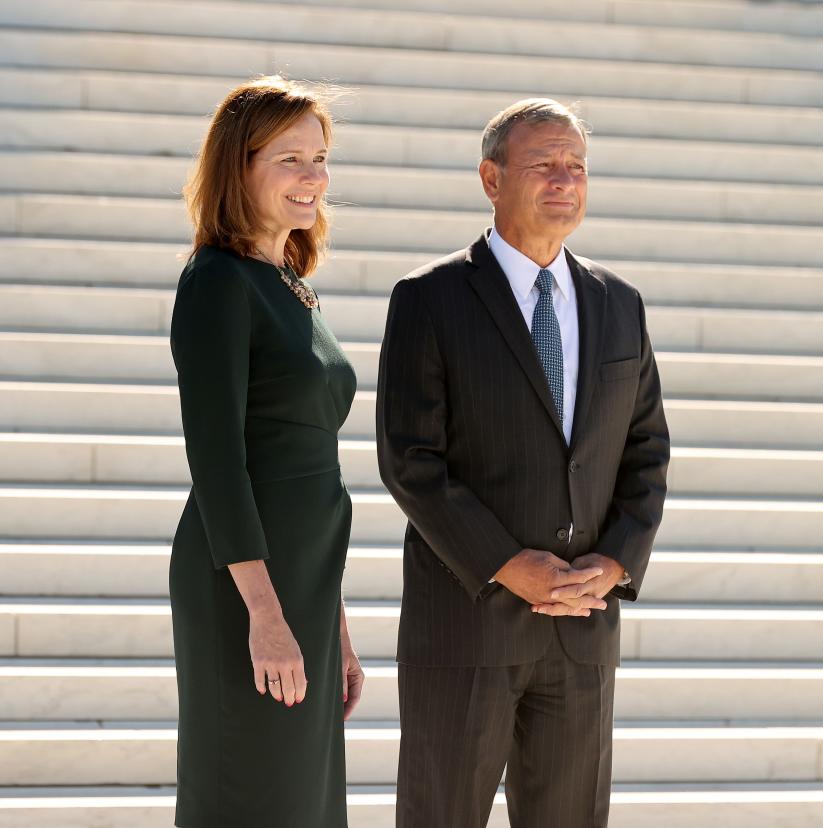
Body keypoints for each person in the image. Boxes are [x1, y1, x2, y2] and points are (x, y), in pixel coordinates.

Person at [377, 97, 671, 827]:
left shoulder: (620, 304)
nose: (564, 180)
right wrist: (509, 563)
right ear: (490, 177)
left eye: (577, 166)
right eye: (544, 164)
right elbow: (411, 460)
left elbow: (646, 449)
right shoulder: (429, 298)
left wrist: (615, 563)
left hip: (582, 628)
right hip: (466, 624)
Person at [169, 75, 364, 828]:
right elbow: (218, 463)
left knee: (304, 800)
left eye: (319, 159)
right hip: (245, 587)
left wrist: (333, 625)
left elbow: (310, 471)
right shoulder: (217, 283)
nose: (313, 178)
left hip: (304, 586)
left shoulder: (290, 285)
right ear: (238, 167)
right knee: (251, 792)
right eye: (290, 159)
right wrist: (266, 613)